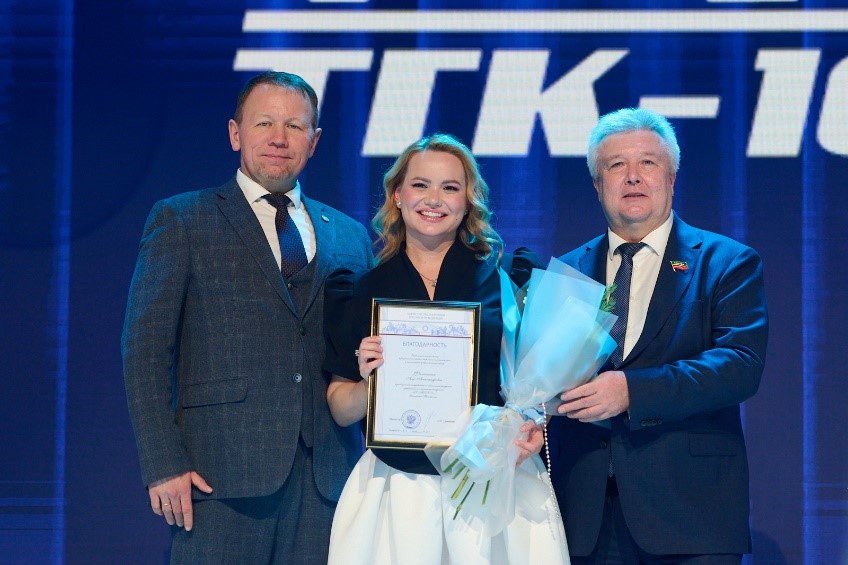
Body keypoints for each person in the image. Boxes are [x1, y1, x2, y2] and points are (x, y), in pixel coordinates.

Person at [121, 71, 372, 563]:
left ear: (315, 141)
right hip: (218, 479)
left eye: (295, 126)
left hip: (328, 482)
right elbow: (144, 350)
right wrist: (162, 462)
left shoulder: (349, 235)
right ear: (236, 133)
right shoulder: (183, 219)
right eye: (264, 123)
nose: (279, 138)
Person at [322, 133, 570, 564]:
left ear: (467, 202)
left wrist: (532, 422)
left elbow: (540, 388)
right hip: (399, 489)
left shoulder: (508, 281)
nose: (434, 199)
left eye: (450, 187)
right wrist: (370, 383)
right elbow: (341, 408)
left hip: (493, 483)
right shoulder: (362, 291)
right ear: (397, 195)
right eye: (420, 185)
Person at [548, 108, 768, 564]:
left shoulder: (726, 262)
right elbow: (545, 374)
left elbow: (740, 365)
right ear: (597, 184)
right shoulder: (567, 271)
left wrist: (632, 391)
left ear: (671, 178)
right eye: (616, 165)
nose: (633, 176)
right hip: (587, 517)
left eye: (647, 162)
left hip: (691, 516)